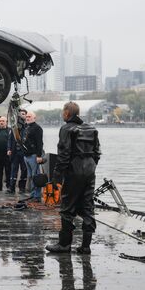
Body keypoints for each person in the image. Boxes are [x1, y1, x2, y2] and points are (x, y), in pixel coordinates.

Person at [46, 102, 101, 254]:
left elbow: (63, 155)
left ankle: (64, 245)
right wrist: (91, 165)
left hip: (74, 171)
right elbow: (97, 153)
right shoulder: (92, 129)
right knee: (88, 206)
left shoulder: (66, 129)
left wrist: (56, 177)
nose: (62, 114)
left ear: (67, 113)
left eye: (63, 112)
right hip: (89, 170)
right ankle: (86, 246)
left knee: (67, 208)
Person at [22, 111, 44, 202]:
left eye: (30, 116)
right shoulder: (27, 127)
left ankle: (37, 196)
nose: (27, 117)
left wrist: (39, 156)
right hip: (26, 156)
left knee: (36, 176)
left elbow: (40, 143)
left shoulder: (37, 128)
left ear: (34, 118)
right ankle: (32, 195)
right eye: (27, 116)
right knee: (30, 176)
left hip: (33, 156)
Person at [7, 109, 28, 194]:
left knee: (24, 170)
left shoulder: (27, 127)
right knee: (13, 170)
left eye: (23, 114)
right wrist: (9, 149)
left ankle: (22, 188)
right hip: (15, 152)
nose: (22, 115)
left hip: (23, 152)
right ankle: (11, 188)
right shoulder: (14, 127)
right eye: (20, 114)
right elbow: (10, 139)